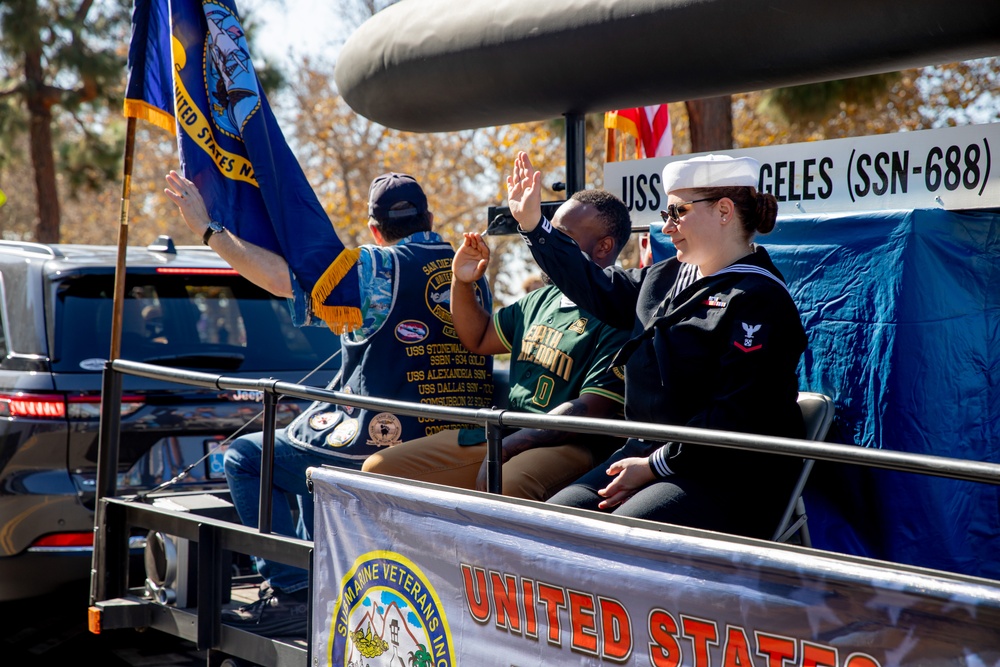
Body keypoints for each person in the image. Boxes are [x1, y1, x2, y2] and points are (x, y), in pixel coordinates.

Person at [165, 170, 492, 636]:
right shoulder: (471, 268)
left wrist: (208, 230)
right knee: (304, 448)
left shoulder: (377, 266)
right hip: (456, 438)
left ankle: (293, 589)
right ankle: (319, 573)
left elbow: (284, 280)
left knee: (245, 456)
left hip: (384, 442)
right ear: (431, 217)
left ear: (376, 229)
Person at [507, 151, 807, 539]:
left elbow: (738, 415)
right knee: (551, 524)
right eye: (667, 214)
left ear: (724, 210)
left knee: (619, 539)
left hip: (723, 472)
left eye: (677, 212)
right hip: (647, 452)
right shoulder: (664, 278)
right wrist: (534, 227)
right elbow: (593, 284)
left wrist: (653, 466)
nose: (667, 227)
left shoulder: (758, 297)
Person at [363, 190, 633, 500]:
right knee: (379, 468)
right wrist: (462, 281)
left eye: (562, 237)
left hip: (573, 443)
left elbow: (590, 410)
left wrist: (509, 445)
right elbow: (478, 337)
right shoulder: (541, 298)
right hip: (509, 432)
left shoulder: (620, 313)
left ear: (604, 246)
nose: (548, 245)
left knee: (507, 486)